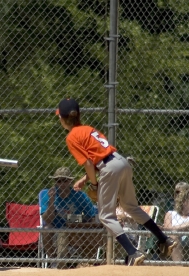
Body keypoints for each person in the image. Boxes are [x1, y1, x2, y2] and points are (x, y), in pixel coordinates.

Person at [55, 97, 177, 266]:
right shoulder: (88, 129)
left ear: (62, 118)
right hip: (121, 162)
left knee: (105, 215)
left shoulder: (71, 137)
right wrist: (85, 179)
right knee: (130, 207)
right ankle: (164, 239)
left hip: (108, 168)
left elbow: (89, 163)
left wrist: (94, 184)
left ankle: (133, 253)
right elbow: (101, 156)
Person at [40, 167, 96, 268]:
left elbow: (91, 216)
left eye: (65, 180)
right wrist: (52, 201)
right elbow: (47, 219)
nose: (62, 184)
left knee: (92, 230)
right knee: (46, 229)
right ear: (55, 182)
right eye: (58, 181)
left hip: (75, 229)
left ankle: (87, 263)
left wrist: (71, 219)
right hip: (55, 229)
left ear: (70, 181)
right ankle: (54, 261)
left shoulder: (79, 195)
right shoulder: (48, 195)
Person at [162, 189, 189, 261]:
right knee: (173, 236)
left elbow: (168, 229)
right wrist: (175, 232)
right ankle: (179, 267)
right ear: (184, 202)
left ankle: (179, 267)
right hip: (170, 244)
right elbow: (168, 231)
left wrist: (175, 230)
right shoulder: (170, 214)